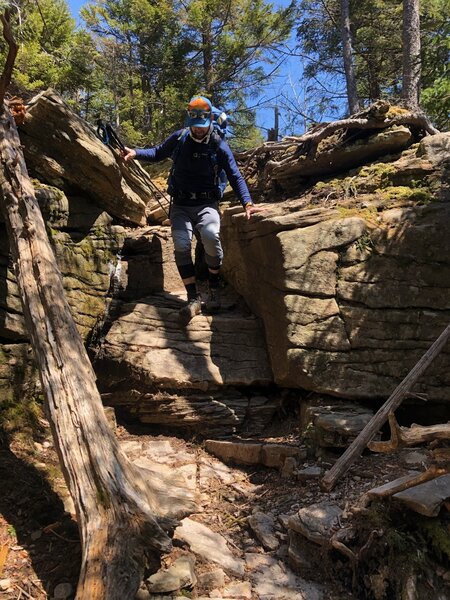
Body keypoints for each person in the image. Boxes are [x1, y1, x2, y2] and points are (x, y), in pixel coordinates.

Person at [122, 95, 261, 325]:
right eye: (194, 127)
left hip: (207, 204)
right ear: (190, 123)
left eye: (202, 127)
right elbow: (158, 152)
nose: (198, 131)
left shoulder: (219, 145)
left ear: (209, 123)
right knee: (181, 244)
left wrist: (248, 203)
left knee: (210, 236)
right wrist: (135, 152)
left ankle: (214, 289)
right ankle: (192, 298)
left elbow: (235, 175)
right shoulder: (180, 138)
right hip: (180, 204)